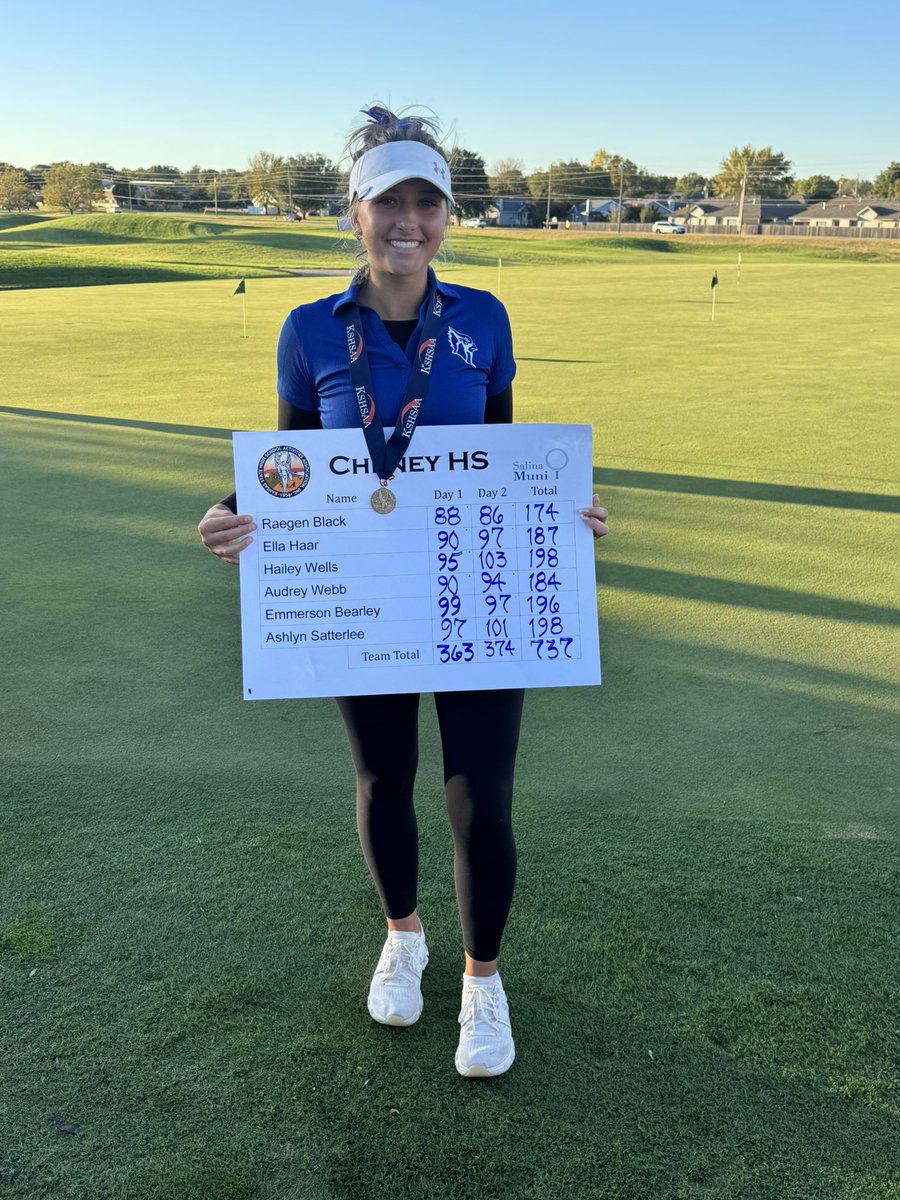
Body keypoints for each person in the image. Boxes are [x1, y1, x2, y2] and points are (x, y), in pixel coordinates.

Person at [198, 105, 609, 1078]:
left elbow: (506, 456)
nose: (408, 222)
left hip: (469, 594)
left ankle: (482, 985)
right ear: (356, 212)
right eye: (390, 202)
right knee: (383, 779)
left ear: (447, 217)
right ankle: (405, 937)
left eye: (427, 203)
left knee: (480, 797)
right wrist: (225, 510)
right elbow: (289, 465)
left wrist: (559, 510)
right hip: (365, 598)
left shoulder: (481, 321)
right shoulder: (309, 330)